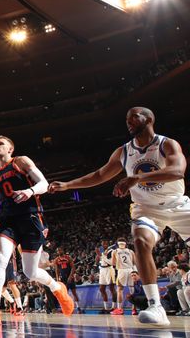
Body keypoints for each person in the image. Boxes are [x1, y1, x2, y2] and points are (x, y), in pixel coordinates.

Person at [49, 107, 187, 326]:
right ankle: (155, 306)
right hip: (146, 208)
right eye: (126, 119)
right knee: (140, 241)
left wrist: (136, 179)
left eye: (133, 117)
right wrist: (67, 185)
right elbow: (100, 175)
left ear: (149, 118)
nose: (128, 122)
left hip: (176, 203)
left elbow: (177, 171)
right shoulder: (123, 152)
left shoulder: (166, 143)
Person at [0, 135, 74, 326]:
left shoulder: (21, 162)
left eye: (1, 143)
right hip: (7, 220)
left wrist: (29, 192)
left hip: (30, 217)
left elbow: (44, 184)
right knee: (0, 258)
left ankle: (57, 287)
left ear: (10, 149)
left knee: (30, 271)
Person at [110, 238, 136, 314]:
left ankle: (119, 309)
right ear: (125, 244)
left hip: (122, 270)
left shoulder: (115, 251)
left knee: (120, 290)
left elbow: (113, 263)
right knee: (132, 290)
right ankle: (134, 309)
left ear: (118, 244)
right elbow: (134, 262)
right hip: (131, 270)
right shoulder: (131, 251)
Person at [52, 248, 80, 312]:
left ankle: (78, 307)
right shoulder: (56, 260)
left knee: (74, 293)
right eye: (58, 251)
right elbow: (57, 270)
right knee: (65, 294)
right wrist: (57, 279)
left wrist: (70, 276)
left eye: (60, 250)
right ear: (57, 252)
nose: (59, 251)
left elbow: (73, 267)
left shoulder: (68, 257)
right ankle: (68, 308)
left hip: (70, 277)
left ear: (63, 250)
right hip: (62, 278)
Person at [97, 239, 116, 313]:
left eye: (105, 244)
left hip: (109, 269)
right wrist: (98, 256)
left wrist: (102, 255)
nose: (103, 245)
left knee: (111, 288)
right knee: (101, 289)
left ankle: (114, 307)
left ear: (108, 244)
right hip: (102, 270)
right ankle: (106, 307)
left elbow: (112, 262)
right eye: (102, 244)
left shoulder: (111, 251)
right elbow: (98, 261)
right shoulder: (101, 251)